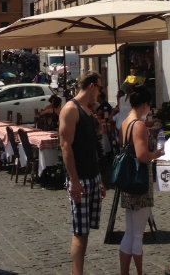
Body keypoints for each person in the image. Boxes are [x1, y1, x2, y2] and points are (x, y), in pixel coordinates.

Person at [59, 71, 104, 275]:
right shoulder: (71, 109)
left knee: (85, 231)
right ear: (92, 86)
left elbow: (92, 146)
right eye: (100, 88)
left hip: (92, 176)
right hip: (80, 179)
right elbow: (65, 146)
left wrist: (99, 178)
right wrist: (74, 181)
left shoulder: (87, 110)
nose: (100, 93)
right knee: (79, 231)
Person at [117, 88, 162, 275]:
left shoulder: (125, 122)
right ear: (144, 105)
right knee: (137, 234)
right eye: (149, 106)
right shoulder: (138, 125)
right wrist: (156, 154)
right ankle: (139, 272)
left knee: (130, 232)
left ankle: (125, 272)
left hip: (128, 180)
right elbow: (142, 156)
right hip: (140, 181)